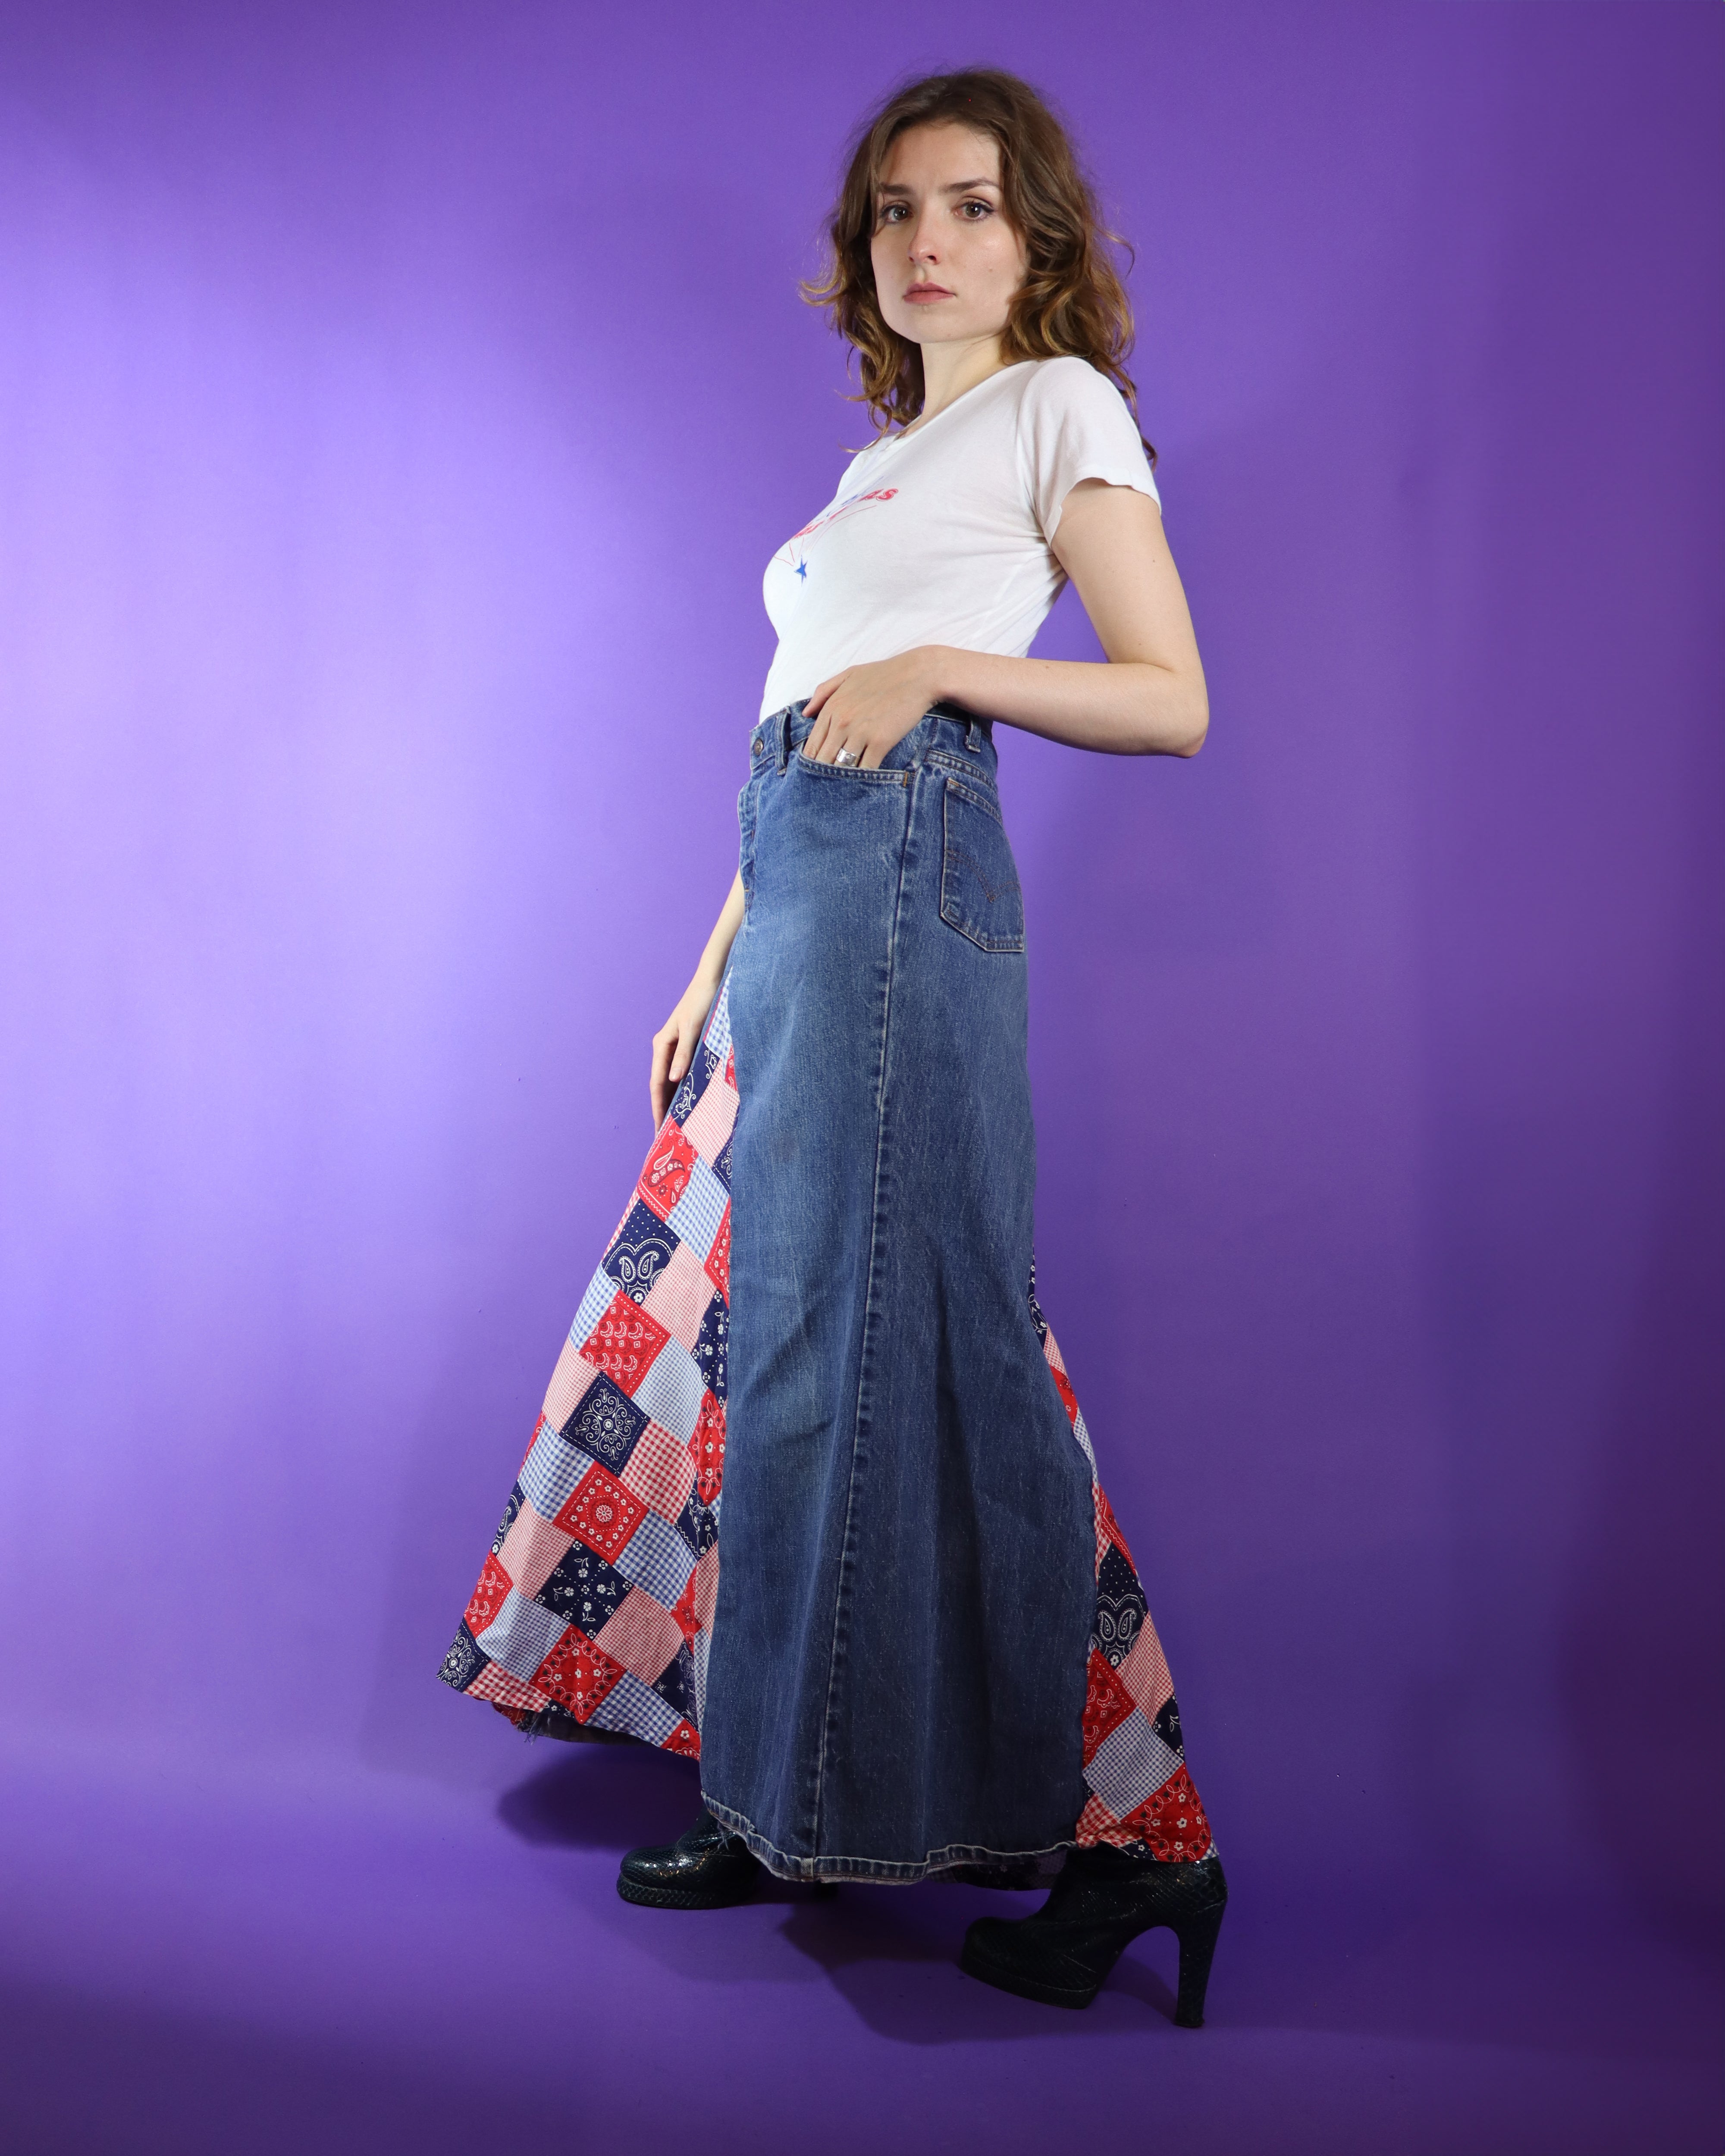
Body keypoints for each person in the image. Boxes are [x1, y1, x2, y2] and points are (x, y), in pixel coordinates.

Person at [440, 67, 1227, 2026]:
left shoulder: (1057, 408)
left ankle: (1137, 1842)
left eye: (969, 206)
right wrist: (705, 965)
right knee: (774, 1351)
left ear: (1037, 240)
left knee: (929, 1341)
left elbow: (1171, 697)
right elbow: (802, 721)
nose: (925, 242)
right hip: (796, 897)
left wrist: (947, 664)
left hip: (894, 886)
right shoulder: (884, 463)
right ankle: (780, 1790)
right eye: (894, 211)